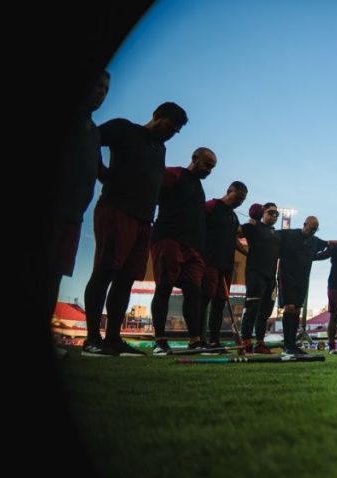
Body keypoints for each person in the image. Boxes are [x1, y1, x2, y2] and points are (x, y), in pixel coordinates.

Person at [82, 101, 188, 357]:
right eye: (169, 126)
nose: (170, 133)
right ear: (156, 115)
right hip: (116, 210)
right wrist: (101, 172)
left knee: (126, 279)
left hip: (144, 220)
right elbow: (91, 138)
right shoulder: (125, 129)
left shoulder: (160, 149)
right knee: (105, 271)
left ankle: (113, 339)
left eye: (175, 131)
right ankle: (92, 339)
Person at [49, 70, 109, 358]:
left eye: (106, 88)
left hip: (74, 216)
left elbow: (100, 172)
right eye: (97, 85)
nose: (101, 92)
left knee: (55, 274)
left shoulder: (93, 131)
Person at [148, 147, 216, 355]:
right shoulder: (174, 173)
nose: (209, 170)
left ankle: (195, 340)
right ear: (194, 158)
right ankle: (160, 340)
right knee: (164, 287)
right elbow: (151, 191)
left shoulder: (198, 186)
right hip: (169, 238)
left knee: (193, 293)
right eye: (206, 164)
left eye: (212, 168)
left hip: (193, 248)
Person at [277, 216, 337, 356]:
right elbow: (271, 237)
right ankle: (287, 345)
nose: (313, 231)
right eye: (311, 228)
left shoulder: (315, 241)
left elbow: (328, 246)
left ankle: (292, 345)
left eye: (315, 229)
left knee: (297, 310)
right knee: (289, 307)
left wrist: (331, 251)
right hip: (286, 277)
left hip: (303, 279)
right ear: (304, 224)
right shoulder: (288, 234)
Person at [200, 181, 248, 350]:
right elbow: (197, 224)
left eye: (242, 200)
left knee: (220, 303)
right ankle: (199, 339)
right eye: (238, 197)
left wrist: (247, 253)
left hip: (226, 265)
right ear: (229, 191)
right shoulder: (212, 206)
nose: (239, 202)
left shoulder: (234, 216)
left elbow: (234, 239)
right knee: (204, 300)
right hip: (209, 261)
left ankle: (214, 340)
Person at [239, 202, 281, 354]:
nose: (274, 216)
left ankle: (260, 343)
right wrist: (243, 252)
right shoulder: (253, 227)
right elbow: (233, 233)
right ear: (263, 213)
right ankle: (246, 341)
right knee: (252, 309)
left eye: (277, 214)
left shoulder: (276, 234)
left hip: (271, 277)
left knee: (265, 312)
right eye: (271, 212)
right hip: (255, 274)